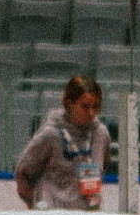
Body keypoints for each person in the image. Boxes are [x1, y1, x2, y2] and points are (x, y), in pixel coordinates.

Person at [17, 74, 116, 207]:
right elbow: (23, 172)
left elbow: (103, 165)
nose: (91, 112)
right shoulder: (51, 134)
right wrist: (36, 204)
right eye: (85, 107)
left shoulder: (101, 134)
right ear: (70, 103)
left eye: (96, 107)